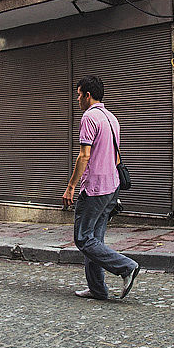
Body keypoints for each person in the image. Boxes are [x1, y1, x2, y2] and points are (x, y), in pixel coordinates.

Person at [63, 75, 140, 300]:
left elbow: (84, 155)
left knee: (83, 238)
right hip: (112, 186)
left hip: (95, 188)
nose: (77, 99)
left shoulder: (89, 117)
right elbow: (115, 155)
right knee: (94, 240)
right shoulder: (111, 118)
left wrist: (71, 186)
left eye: (79, 95)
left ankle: (126, 267)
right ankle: (97, 289)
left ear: (88, 95)